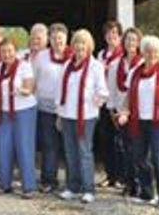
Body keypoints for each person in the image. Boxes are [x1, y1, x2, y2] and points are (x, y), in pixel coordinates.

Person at [118, 35, 159, 211]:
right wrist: (124, 111)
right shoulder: (135, 72)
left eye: (155, 52)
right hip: (138, 121)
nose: (152, 55)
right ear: (143, 52)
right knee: (140, 158)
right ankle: (148, 193)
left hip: (158, 122)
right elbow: (128, 96)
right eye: (149, 51)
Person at [58, 29, 108, 204]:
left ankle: (89, 189)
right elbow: (60, 91)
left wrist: (95, 100)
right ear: (73, 46)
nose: (80, 47)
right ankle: (73, 187)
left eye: (83, 44)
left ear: (89, 47)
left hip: (86, 117)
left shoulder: (96, 66)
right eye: (77, 43)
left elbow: (102, 91)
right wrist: (59, 114)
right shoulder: (67, 66)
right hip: (67, 115)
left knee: (84, 152)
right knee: (70, 152)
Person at [0, 38, 38, 199]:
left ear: (15, 51)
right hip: (3, 112)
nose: (6, 54)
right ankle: (4, 183)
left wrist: (22, 91)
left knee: (24, 148)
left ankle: (28, 186)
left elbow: (30, 87)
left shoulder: (24, 66)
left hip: (24, 111)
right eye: (3, 51)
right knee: (3, 147)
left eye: (9, 51)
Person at [33, 23, 73, 193]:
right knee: (50, 145)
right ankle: (49, 180)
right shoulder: (41, 57)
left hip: (68, 109)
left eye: (61, 38)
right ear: (49, 39)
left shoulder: (74, 56)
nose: (57, 41)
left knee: (69, 145)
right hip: (46, 108)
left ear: (66, 39)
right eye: (54, 38)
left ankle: (72, 181)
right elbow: (33, 79)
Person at [106, 27, 143, 196]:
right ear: (124, 42)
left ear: (139, 43)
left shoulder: (142, 63)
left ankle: (140, 183)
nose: (131, 43)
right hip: (120, 112)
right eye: (128, 39)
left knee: (139, 150)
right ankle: (129, 183)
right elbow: (112, 89)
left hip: (138, 113)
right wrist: (113, 110)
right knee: (125, 148)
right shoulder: (115, 65)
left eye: (134, 40)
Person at [97, 20, 123, 188]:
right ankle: (110, 175)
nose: (111, 36)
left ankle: (121, 176)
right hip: (104, 104)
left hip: (119, 103)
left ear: (119, 36)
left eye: (114, 33)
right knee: (105, 140)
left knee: (119, 142)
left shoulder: (123, 55)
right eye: (108, 33)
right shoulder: (101, 55)